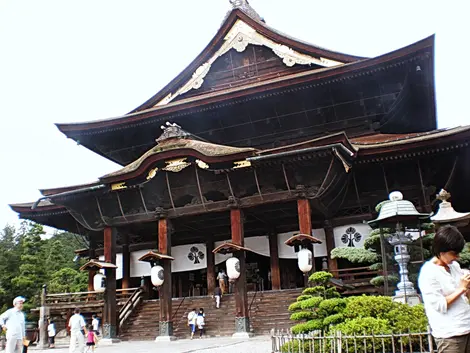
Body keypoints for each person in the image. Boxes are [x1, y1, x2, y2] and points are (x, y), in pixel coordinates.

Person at [418, 225, 470, 353]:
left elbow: (465, 295)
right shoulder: (428, 272)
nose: (457, 257)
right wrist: (461, 288)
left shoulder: (455, 266)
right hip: (449, 335)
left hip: (467, 326)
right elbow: (440, 305)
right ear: (441, 251)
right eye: (454, 253)